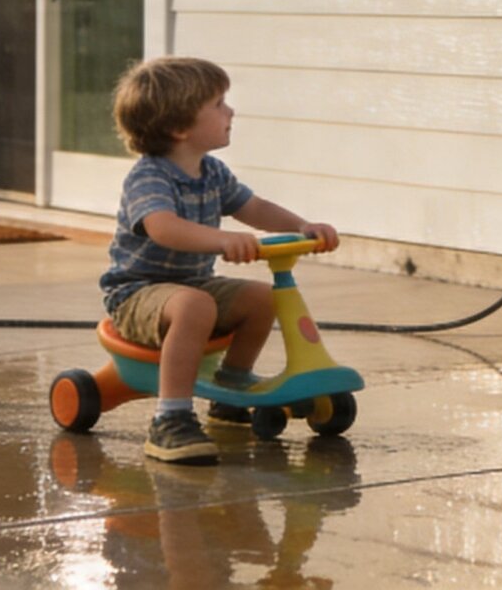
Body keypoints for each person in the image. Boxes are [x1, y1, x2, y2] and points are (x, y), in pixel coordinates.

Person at [100, 56, 340, 465]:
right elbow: (162, 227)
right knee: (196, 305)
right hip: (137, 293)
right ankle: (170, 418)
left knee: (264, 299)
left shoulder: (212, 172)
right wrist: (222, 240)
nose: (230, 111)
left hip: (192, 287)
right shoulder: (150, 177)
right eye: (218, 104)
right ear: (180, 128)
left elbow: (255, 207)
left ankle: (231, 388)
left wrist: (303, 227)